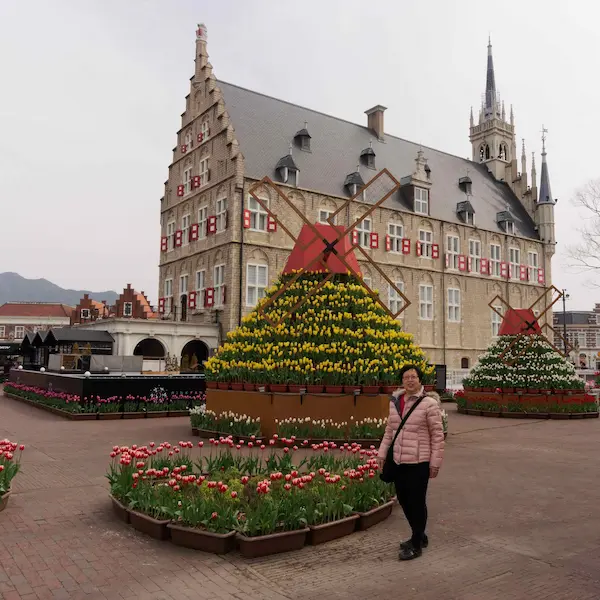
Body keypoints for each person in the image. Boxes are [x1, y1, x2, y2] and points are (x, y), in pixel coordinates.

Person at [377, 364, 445, 561]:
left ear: (420, 380)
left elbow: (437, 436)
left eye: (413, 377)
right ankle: (420, 534)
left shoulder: (429, 404)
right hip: (399, 460)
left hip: (419, 461)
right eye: (406, 377)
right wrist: (382, 454)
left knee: (416, 502)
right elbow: (389, 431)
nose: (409, 380)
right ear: (402, 381)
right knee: (404, 499)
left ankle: (416, 543)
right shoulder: (395, 402)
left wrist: (435, 463)